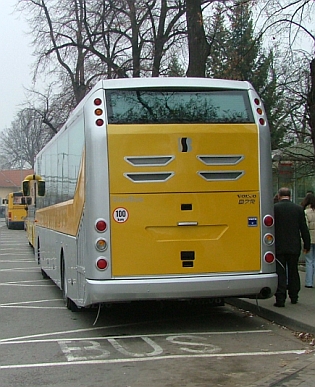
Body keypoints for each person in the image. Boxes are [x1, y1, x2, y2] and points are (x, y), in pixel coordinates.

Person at [273, 187, 310, 307]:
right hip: (294, 245)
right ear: (290, 195)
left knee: (280, 271)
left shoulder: (274, 209)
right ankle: (294, 296)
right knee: (293, 271)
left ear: (279, 196)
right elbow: (303, 228)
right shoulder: (298, 209)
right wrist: (307, 244)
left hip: (278, 246)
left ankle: (280, 298)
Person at [303, 193, 315, 288]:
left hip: (310, 239)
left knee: (309, 261)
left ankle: (309, 282)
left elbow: (305, 228)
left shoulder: (306, 212)